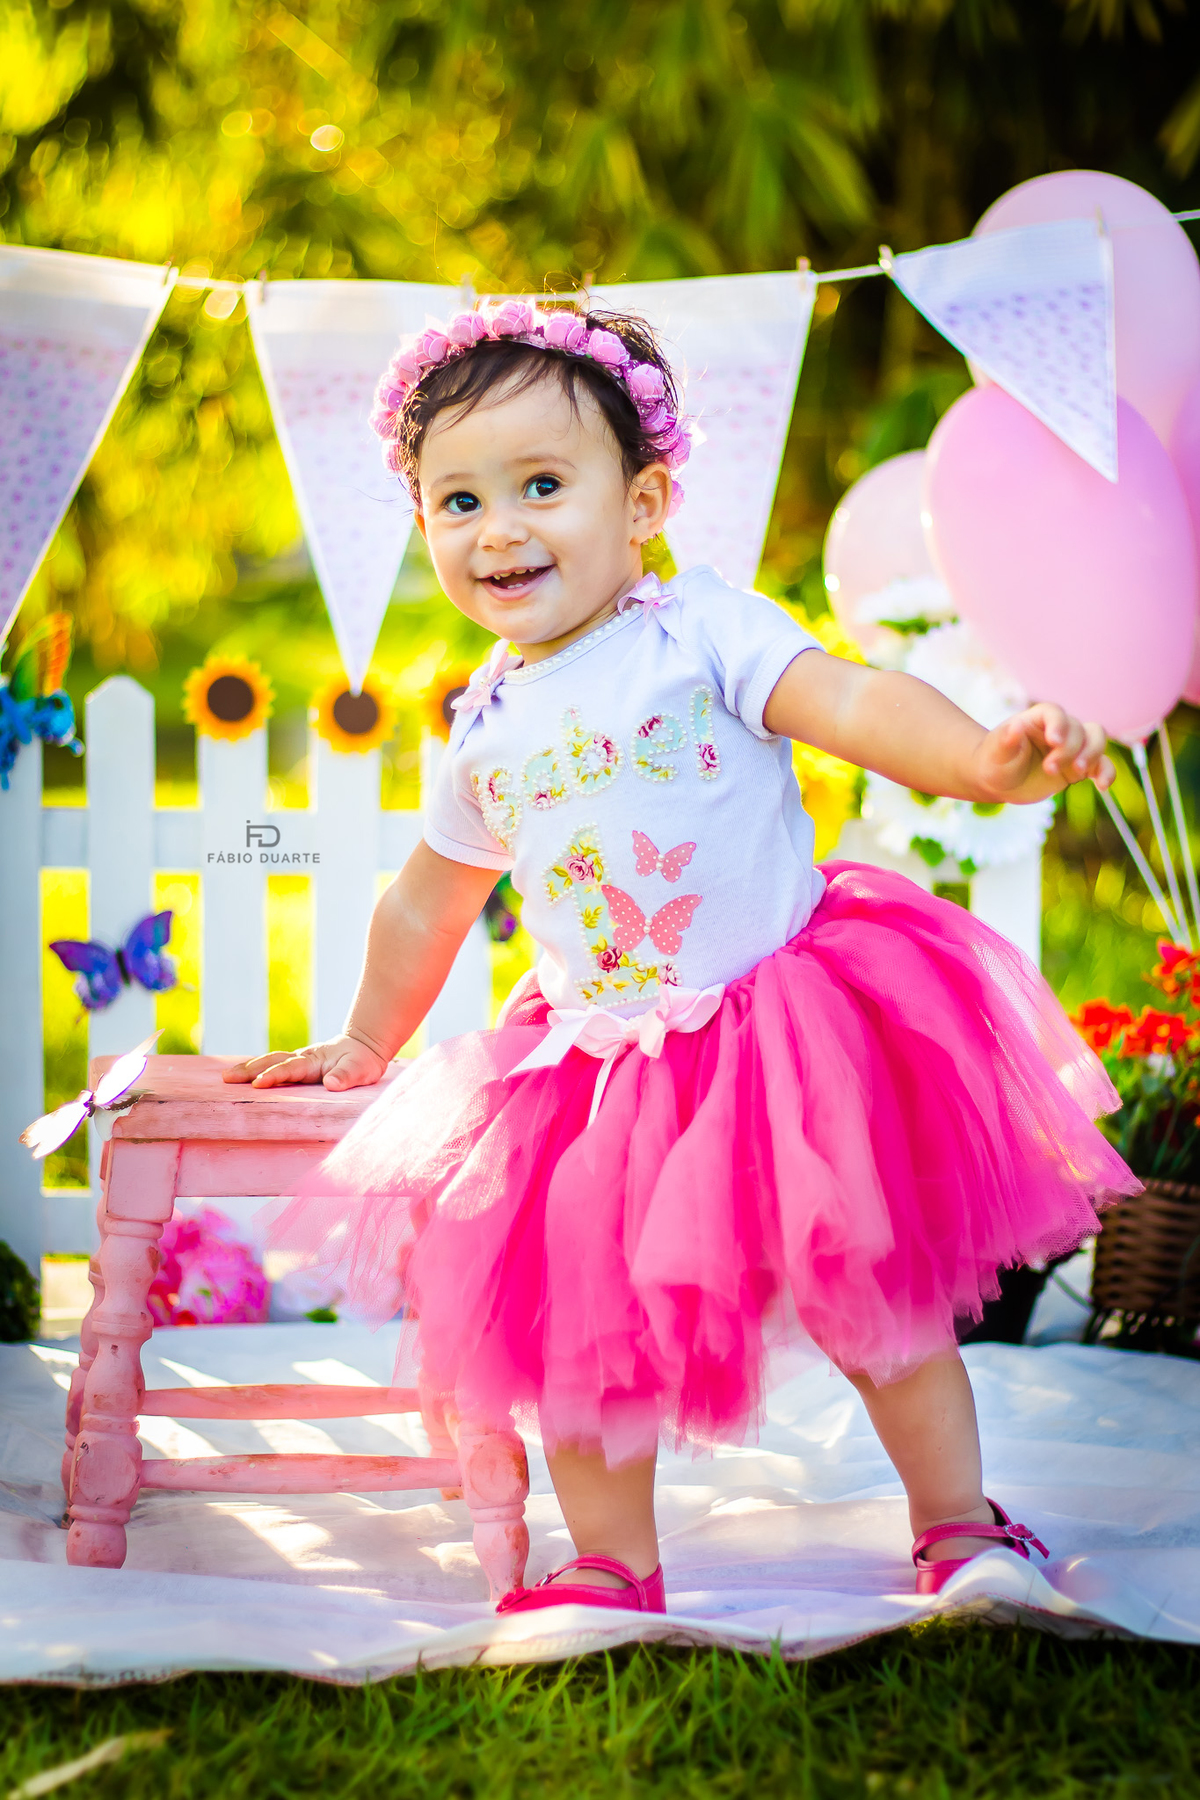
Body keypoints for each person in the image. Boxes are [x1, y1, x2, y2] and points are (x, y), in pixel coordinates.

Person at [226, 299, 1137, 1614]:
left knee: (878, 1301)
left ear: (644, 502)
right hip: (608, 1073)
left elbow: (852, 699)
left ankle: (956, 1523)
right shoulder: (485, 725)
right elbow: (426, 904)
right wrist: (370, 1038)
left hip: (787, 1032)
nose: (499, 529)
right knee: (578, 1327)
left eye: (542, 485)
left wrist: (979, 762)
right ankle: (612, 1558)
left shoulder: (700, 630)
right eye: (458, 501)